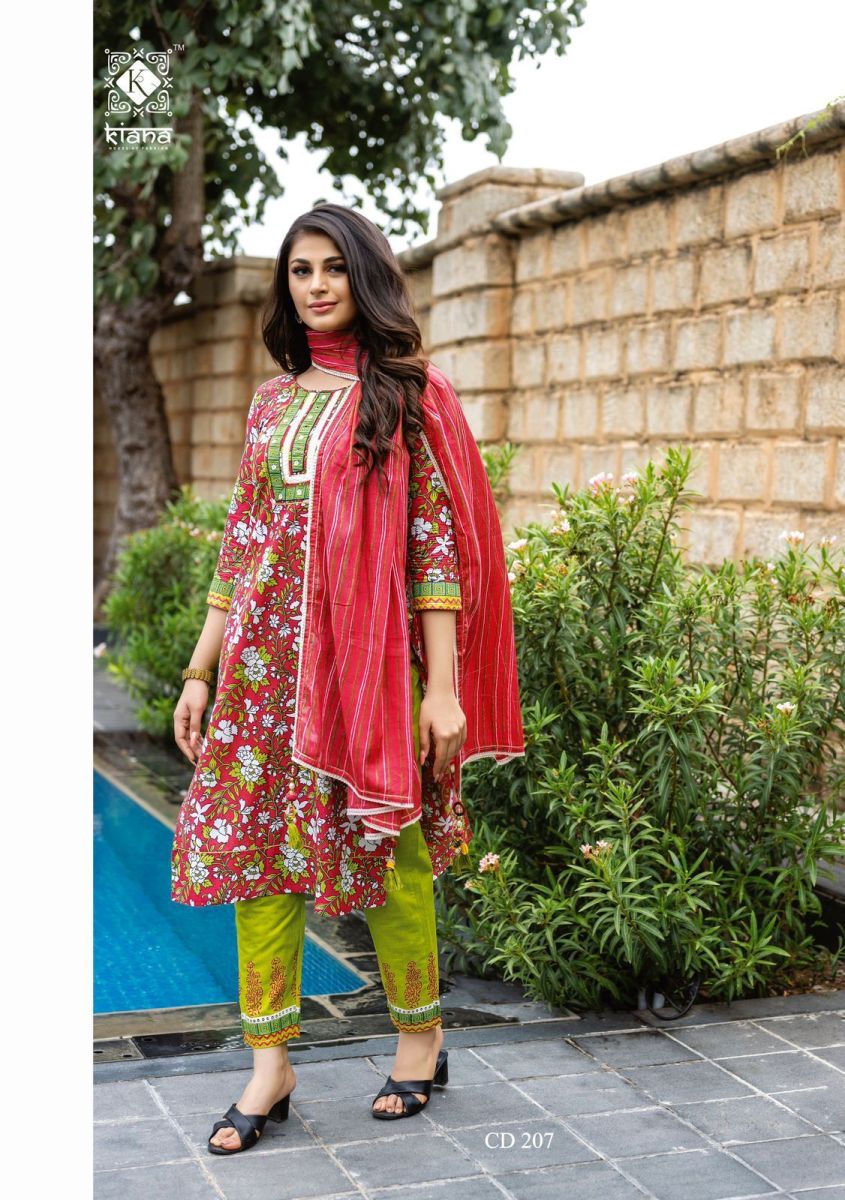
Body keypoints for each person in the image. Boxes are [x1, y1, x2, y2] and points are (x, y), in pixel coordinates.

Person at [170, 203, 524, 1154]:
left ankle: (419, 1040)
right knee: (256, 854)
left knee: (388, 852)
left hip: (365, 676)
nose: (317, 285)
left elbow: (434, 551)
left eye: (333, 267)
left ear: (364, 277)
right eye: (300, 271)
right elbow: (243, 544)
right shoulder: (271, 402)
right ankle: (270, 1065)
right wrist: (201, 670)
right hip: (262, 675)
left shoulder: (408, 395)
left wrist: (441, 689)